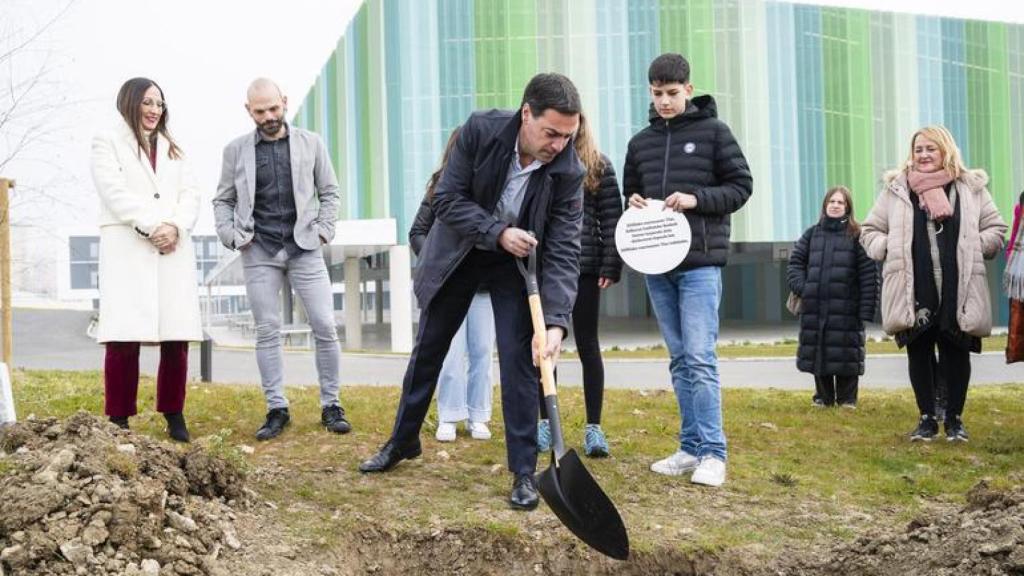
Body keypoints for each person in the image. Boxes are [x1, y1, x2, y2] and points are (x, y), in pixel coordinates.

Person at [359, 73, 585, 512]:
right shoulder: (479, 131)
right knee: (428, 350)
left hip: (515, 266)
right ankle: (402, 441)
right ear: (526, 115)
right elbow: (446, 199)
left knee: (521, 363)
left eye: (567, 136)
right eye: (550, 133)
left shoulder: (568, 171)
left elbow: (564, 250)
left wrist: (556, 323)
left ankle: (523, 471)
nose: (558, 145)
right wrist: (497, 231)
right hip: (463, 249)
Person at [623, 53, 752, 487]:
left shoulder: (715, 133)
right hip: (655, 266)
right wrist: (634, 203)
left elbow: (740, 186)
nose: (664, 101)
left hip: (699, 265)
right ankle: (689, 447)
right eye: (657, 94)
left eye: (672, 93)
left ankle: (715, 453)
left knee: (700, 357)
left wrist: (696, 199)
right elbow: (631, 193)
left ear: (689, 90)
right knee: (679, 359)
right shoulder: (640, 143)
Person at [213, 78, 350, 441]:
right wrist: (231, 235)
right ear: (249, 111)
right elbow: (222, 200)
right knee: (267, 330)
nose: (269, 116)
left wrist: (323, 230)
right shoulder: (235, 151)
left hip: (305, 248)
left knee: (325, 325)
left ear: (284, 102)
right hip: (258, 250)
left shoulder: (312, 143)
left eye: (274, 108)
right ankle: (277, 408)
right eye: (260, 111)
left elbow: (330, 192)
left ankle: (331, 405)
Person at [861, 125, 1006, 442]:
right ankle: (926, 419)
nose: (923, 155)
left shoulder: (971, 187)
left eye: (931, 148)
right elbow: (869, 230)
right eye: (918, 149)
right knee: (919, 351)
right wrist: (888, 248)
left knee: (957, 353)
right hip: (913, 288)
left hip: (960, 286)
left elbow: (996, 229)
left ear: (946, 150)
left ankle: (954, 420)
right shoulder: (896, 190)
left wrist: (973, 245)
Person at [90, 77, 202, 442]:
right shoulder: (106, 141)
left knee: (176, 335)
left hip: (171, 248)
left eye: (160, 103)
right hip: (130, 246)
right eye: (148, 102)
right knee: (123, 335)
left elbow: (191, 195)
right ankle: (118, 416)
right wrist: (153, 226)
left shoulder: (174, 149)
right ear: (130, 102)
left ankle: (174, 412)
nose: (155, 110)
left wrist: (175, 227)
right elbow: (113, 191)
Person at [536, 113, 622, 458]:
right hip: (547, 270)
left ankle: (594, 427)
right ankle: (545, 423)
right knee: (544, 346)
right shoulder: (545, 163)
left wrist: (610, 264)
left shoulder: (598, 165)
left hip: (586, 269)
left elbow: (612, 218)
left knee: (588, 344)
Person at [408, 128, 496, 443]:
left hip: (483, 289)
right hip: (447, 287)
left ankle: (479, 415)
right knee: (451, 352)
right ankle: (449, 414)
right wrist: (439, 260)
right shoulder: (440, 187)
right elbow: (418, 231)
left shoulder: (493, 188)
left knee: (483, 351)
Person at [786, 186, 877, 408]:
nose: (835, 205)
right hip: (815, 308)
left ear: (848, 208)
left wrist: (865, 310)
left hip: (847, 310)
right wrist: (804, 288)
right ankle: (823, 398)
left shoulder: (858, 236)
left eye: (841, 202)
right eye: (832, 201)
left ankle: (847, 400)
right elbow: (795, 264)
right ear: (825, 205)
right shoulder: (811, 234)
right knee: (819, 353)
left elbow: (869, 276)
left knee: (846, 354)